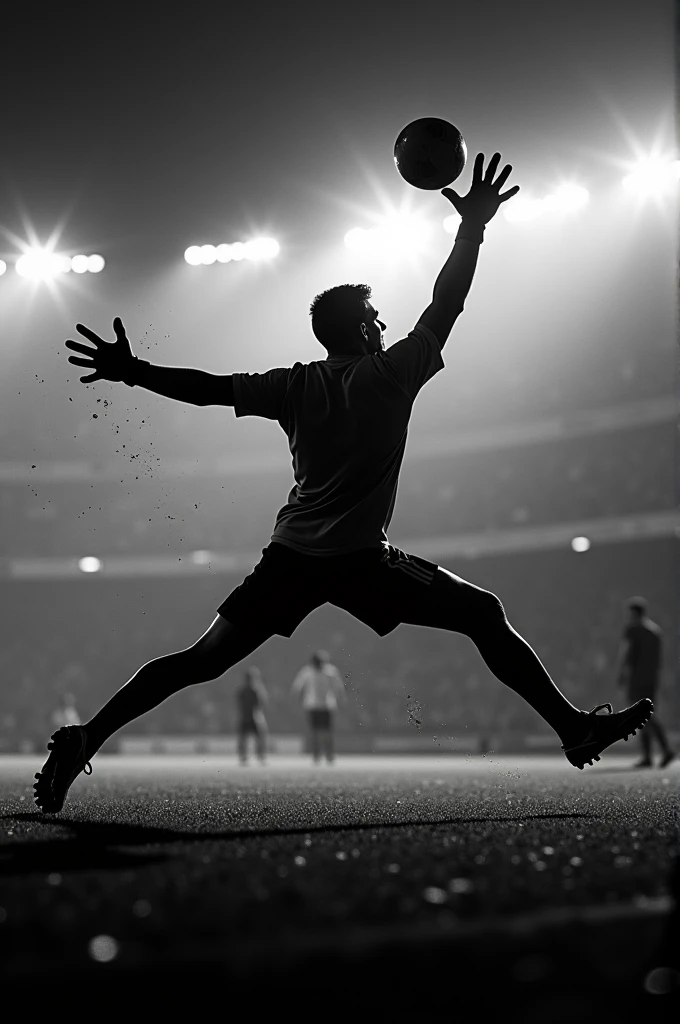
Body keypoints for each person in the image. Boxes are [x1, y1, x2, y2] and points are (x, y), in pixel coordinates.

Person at [34, 152, 654, 813]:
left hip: (293, 557)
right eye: (379, 317)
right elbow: (450, 301)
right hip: (361, 561)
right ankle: (573, 729)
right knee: (484, 614)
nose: (387, 324)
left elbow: (210, 390)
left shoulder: (295, 384)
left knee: (199, 659)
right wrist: (471, 228)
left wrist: (134, 372)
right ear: (364, 328)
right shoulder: (394, 374)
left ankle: (85, 737)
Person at [615, 597, 674, 768]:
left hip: (637, 678)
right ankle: (650, 755)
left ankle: (663, 750)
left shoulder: (633, 630)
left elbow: (625, 652)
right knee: (646, 714)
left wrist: (621, 674)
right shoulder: (655, 631)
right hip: (652, 678)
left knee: (642, 715)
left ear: (633, 612)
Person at [292, 650, 345, 763]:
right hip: (313, 705)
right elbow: (297, 686)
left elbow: (339, 687)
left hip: (327, 705)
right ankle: (316, 754)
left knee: (328, 731)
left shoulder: (331, 672)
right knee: (315, 731)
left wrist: (341, 698)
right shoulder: (307, 672)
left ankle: (329, 754)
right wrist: (295, 698)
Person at [235, 666, 268, 765]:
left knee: (257, 737)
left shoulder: (249, 690)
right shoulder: (253, 690)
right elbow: (262, 703)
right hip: (251, 717)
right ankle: (246, 756)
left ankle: (258, 756)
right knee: (246, 738)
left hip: (251, 717)